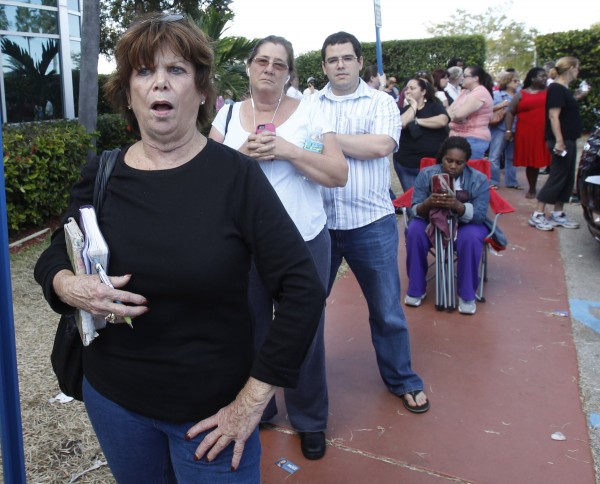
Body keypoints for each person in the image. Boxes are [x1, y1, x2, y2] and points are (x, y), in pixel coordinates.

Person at [34, 13, 326, 483]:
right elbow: (55, 252)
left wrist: (252, 402)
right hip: (114, 401)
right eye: (144, 72)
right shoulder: (102, 173)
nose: (159, 85)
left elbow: (302, 289)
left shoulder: (237, 178)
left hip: (212, 419)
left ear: (202, 88)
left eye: (176, 70)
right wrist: (68, 284)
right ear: (128, 92)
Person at [209, 35, 347, 461]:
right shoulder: (228, 115)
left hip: (302, 240)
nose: (269, 69)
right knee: (251, 329)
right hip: (245, 247)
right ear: (249, 67)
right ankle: (262, 407)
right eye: (262, 61)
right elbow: (206, 177)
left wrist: (287, 150)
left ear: (289, 73)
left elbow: (337, 173)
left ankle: (309, 419)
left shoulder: (311, 112)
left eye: (279, 64)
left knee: (304, 331)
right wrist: (241, 156)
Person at [316, 31, 430, 415]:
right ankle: (304, 383)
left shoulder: (381, 101)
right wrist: (350, 141)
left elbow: (381, 146)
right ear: (324, 66)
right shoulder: (311, 105)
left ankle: (402, 378)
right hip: (320, 226)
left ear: (360, 61)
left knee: (386, 310)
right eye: (333, 60)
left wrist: (326, 140)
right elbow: (305, 146)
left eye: (347, 58)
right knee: (308, 308)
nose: (341, 65)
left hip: (372, 223)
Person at [405, 136, 490, 315]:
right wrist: (428, 203)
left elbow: (480, 215)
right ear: (441, 158)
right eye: (448, 160)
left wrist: (458, 206)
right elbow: (414, 210)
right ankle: (416, 289)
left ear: (466, 163)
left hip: (466, 223)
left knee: (470, 238)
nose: (452, 166)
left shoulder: (479, 179)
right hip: (430, 220)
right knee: (414, 231)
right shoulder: (427, 174)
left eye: (459, 162)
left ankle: (467, 295)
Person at [528, 57, 583, 231]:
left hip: (568, 139)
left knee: (566, 178)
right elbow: (553, 116)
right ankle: (538, 213)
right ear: (571, 68)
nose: (578, 71)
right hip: (561, 140)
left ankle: (558, 213)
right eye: (577, 68)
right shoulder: (556, 89)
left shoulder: (562, 89)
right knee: (558, 176)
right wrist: (559, 141)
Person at [393, 77, 449, 191]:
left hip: (432, 165)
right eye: (406, 88)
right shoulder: (404, 111)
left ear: (423, 92)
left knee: (435, 201)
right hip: (406, 165)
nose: (408, 91)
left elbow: (443, 120)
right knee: (413, 203)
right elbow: (402, 123)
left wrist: (418, 121)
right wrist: (413, 105)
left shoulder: (435, 107)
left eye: (412, 88)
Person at [504, 67, 551, 199]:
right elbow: (510, 112)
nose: (545, 78)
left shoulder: (550, 92)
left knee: (552, 159)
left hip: (546, 131)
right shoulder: (521, 94)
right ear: (532, 78)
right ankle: (532, 188)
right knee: (532, 162)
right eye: (542, 76)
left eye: (545, 76)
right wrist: (508, 130)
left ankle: (553, 190)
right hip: (527, 132)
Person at [447, 65, 494, 160]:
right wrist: (456, 115)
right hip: (458, 138)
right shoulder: (465, 92)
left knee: (467, 172)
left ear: (475, 78)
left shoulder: (480, 93)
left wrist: (456, 114)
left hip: (473, 139)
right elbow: (448, 112)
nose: (462, 78)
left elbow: (459, 115)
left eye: (465, 75)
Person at [488, 71, 521, 189]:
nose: (517, 83)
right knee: (494, 156)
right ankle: (493, 181)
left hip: (515, 128)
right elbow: (488, 109)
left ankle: (511, 182)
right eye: (515, 81)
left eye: (518, 81)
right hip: (500, 128)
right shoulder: (497, 95)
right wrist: (502, 105)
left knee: (511, 157)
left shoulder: (520, 94)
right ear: (507, 82)